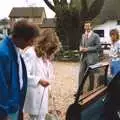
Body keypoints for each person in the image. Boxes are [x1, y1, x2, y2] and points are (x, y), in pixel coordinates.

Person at [0, 20, 40, 120]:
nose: (32, 44)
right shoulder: (3, 54)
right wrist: (3, 114)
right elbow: (1, 87)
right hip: (8, 109)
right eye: (31, 41)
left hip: (16, 103)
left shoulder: (15, 48)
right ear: (21, 38)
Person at [22, 29, 61, 120]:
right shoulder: (30, 53)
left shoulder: (46, 56)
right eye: (49, 48)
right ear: (43, 42)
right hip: (34, 95)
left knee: (42, 117)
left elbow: (48, 75)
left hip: (43, 96)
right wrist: (38, 80)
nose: (49, 51)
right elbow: (23, 75)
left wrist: (50, 91)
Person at [78, 21, 101, 91]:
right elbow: (81, 44)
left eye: (88, 26)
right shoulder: (83, 35)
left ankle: (90, 89)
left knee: (91, 74)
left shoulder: (96, 36)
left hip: (92, 58)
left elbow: (98, 47)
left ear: (91, 27)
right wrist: (80, 48)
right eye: (85, 26)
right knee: (81, 73)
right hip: (83, 57)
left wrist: (87, 49)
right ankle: (80, 90)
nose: (87, 27)